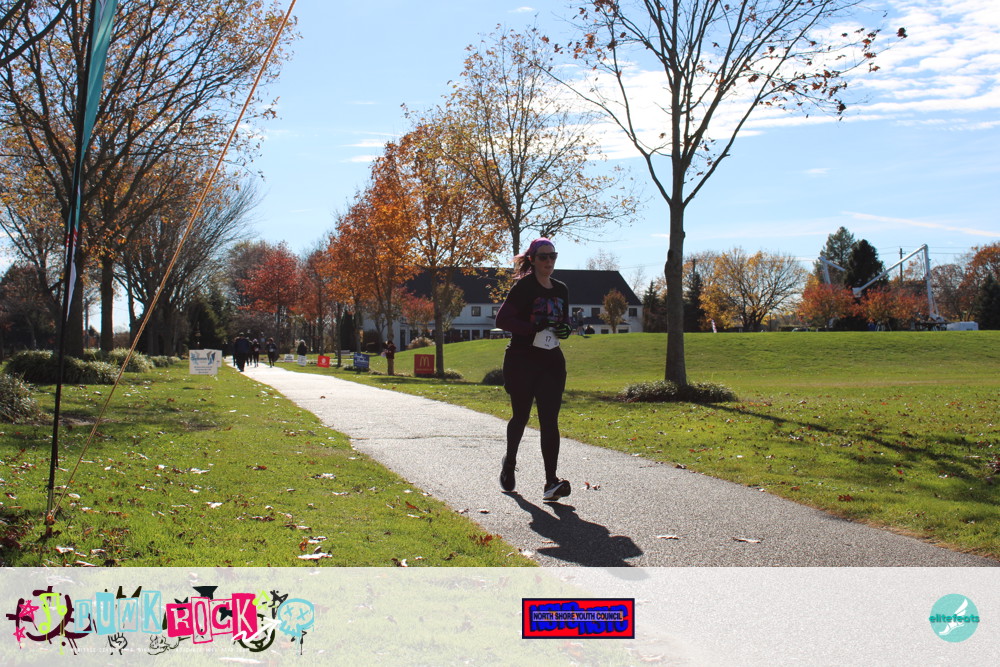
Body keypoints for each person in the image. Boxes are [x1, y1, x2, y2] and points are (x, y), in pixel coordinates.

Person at [495, 237, 572, 501]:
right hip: (522, 360)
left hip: (551, 361)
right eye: (543, 257)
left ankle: (551, 482)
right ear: (532, 260)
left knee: (550, 420)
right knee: (521, 416)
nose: (549, 261)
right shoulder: (523, 287)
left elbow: (565, 321)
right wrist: (531, 328)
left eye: (553, 256)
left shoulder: (561, 289)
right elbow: (502, 319)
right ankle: (509, 462)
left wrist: (566, 329)